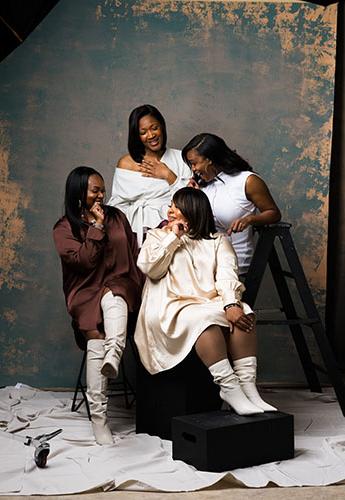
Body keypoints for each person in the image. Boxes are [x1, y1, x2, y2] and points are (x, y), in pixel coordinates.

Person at [134, 187, 277, 415]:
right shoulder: (157, 236)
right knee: (204, 320)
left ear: (192, 210)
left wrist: (231, 304)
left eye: (175, 206)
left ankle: (248, 387)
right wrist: (174, 237)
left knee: (245, 311)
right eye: (170, 206)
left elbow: (227, 275)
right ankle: (229, 387)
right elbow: (151, 269)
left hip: (209, 303)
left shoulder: (217, 241)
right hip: (169, 306)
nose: (169, 211)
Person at [53, 166, 143, 445]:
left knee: (115, 298)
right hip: (85, 292)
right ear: (79, 193)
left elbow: (133, 252)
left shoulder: (118, 217)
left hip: (119, 284)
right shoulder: (64, 228)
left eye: (103, 189)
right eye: (95, 190)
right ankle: (99, 419)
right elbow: (83, 262)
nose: (102, 195)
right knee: (95, 333)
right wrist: (97, 228)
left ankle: (112, 356)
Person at [182, 133, 281, 275]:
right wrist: (193, 197)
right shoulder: (202, 185)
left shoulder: (248, 181)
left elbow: (274, 213)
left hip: (234, 259)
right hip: (206, 256)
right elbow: (199, 224)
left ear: (209, 160)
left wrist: (250, 219)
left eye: (194, 163)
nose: (193, 169)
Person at [107, 104, 191, 245]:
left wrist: (168, 175)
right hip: (132, 232)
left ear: (162, 127)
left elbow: (191, 200)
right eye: (143, 132)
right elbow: (117, 203)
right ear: (136, 135)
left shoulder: (181, 159)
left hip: (171, 230)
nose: (151, 135)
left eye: (154, 128)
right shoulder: (126, 163)